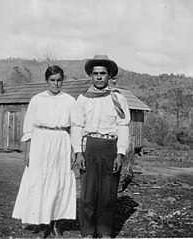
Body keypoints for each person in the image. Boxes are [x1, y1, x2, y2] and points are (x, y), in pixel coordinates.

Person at [12, 65, 76, 238]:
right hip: (40, 142)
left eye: (59, 80)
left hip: (61, 141)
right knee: (39, 182)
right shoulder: (37, 99)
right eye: (52, 80)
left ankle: (55, 223)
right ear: (46, 81)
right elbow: (29, 128)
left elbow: (75, 129)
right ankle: (43, 223)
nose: (56, 84)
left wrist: (73, 150)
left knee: (57, 182)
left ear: (63, 80)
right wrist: (27, 152)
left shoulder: (70, 100)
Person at [71, 55, 130, 238]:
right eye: (95, 73)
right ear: (91, 75)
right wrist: (78, 153)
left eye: (102, 73)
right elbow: (77, 126)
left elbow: (123, 126)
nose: (98, 77)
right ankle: (87, 231)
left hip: (110, 147)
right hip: (89, 146)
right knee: (88, 193)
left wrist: (120, 153)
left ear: (109, 75)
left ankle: (105, 231)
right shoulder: (82, 99)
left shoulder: (117, 99)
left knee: (108, 193)